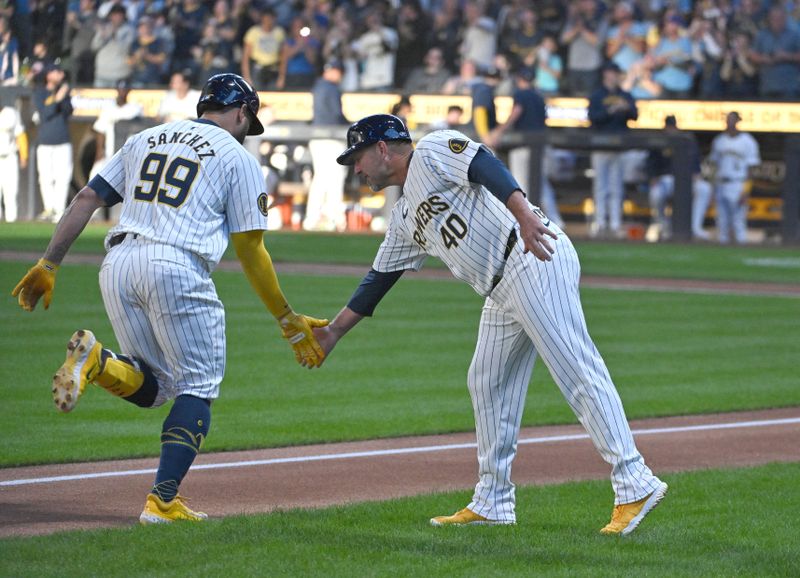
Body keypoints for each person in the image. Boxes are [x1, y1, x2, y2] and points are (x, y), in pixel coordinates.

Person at [311, 114, 668, 535]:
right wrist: (333, 331)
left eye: (358, 157)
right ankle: (493, 500)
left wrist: (524, 215)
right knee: (486, 381)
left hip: (530, 255)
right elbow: (379, 279)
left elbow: (485, 165)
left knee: (575, 368)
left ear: (383, 148)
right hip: (501, 288)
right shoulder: (404, 214)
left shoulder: (431, 151)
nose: (356, 168)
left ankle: (634, 480)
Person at [11, 73, 327, 524]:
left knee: (158, 386)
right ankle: (161, 501)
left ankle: (98, 361)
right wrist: (285, 316)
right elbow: (250, 249)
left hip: (117, 265)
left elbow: (87, 197)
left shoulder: (145, 137)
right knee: (198, 386)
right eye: (248, 120)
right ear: (241, 112)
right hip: (177, 265)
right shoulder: (237, 157)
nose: (247, 128)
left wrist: (49, 263)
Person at [487, 67, 563, 227]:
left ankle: (526, 221)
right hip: (540, 145)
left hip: (523, 145)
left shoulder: (521, 94)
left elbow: (516, 112)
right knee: (541, 184)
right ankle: (555, 221)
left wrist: (499, 131)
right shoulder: (538, 95)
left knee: (521, 184)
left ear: (519, 79)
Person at [587, 61, 637, 238]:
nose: (614, 76)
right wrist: (611, 110)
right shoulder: (597, 95)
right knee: (601, 186)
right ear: (606, 74)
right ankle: (600, 222)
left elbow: (635, 115)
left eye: (616, 73)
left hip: (619, 147)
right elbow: (593, 118)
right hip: (600, 145)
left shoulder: (624, 94)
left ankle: (616, 223)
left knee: (616, 187)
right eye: (612, 72)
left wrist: (627, 107)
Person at [645, 115, 712, 242]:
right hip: (665, 179)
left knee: (704, 188)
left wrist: (696, 174)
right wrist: (653, 177)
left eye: (673, 127)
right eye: (669, 126)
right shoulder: (659, 142)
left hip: (685, 180)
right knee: (656, 194)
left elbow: (695, 165)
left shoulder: (686, 141)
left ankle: (695, 227)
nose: (671, 129)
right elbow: (650, 164)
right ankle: (663, 226)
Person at [303, 60, 349, 232]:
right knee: (334, 177)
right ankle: (333, 217)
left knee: (321, 178)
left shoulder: (318, 85)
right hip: (330, 137)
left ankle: (313, 218)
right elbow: (336, 115)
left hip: (317, 137)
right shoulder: (330, 87)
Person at [708, 111, 760, 244]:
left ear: (738, 121)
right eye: (727, 120)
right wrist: (712, 186)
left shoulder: (748, 141)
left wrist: (746, 189)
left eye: (732, 120)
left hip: (738, 183)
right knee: (721, 220)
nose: (729, 123)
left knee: (738, 220)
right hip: (721, 182)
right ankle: (722, 254)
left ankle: (741, 248)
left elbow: (752, 168)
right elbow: (714, 165)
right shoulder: (719, 140)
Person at [33, 63, 73, 222]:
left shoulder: (64, 93)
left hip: (62, 140)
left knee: (62, 177)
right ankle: (48, 208)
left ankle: (59, 210)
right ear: (48, 75)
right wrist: (57, 98)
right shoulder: (40, 92)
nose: (60, 75)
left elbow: (69, 111)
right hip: (45, 141)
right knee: (45, 177)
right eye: (56, 72)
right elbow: (45, 114)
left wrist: (62, 97)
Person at [0, 102, 27, 221]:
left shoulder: (11, 113)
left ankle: (12, 220)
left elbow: (20, 135)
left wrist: (23, 155)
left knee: (11, 191)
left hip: (10, 157)